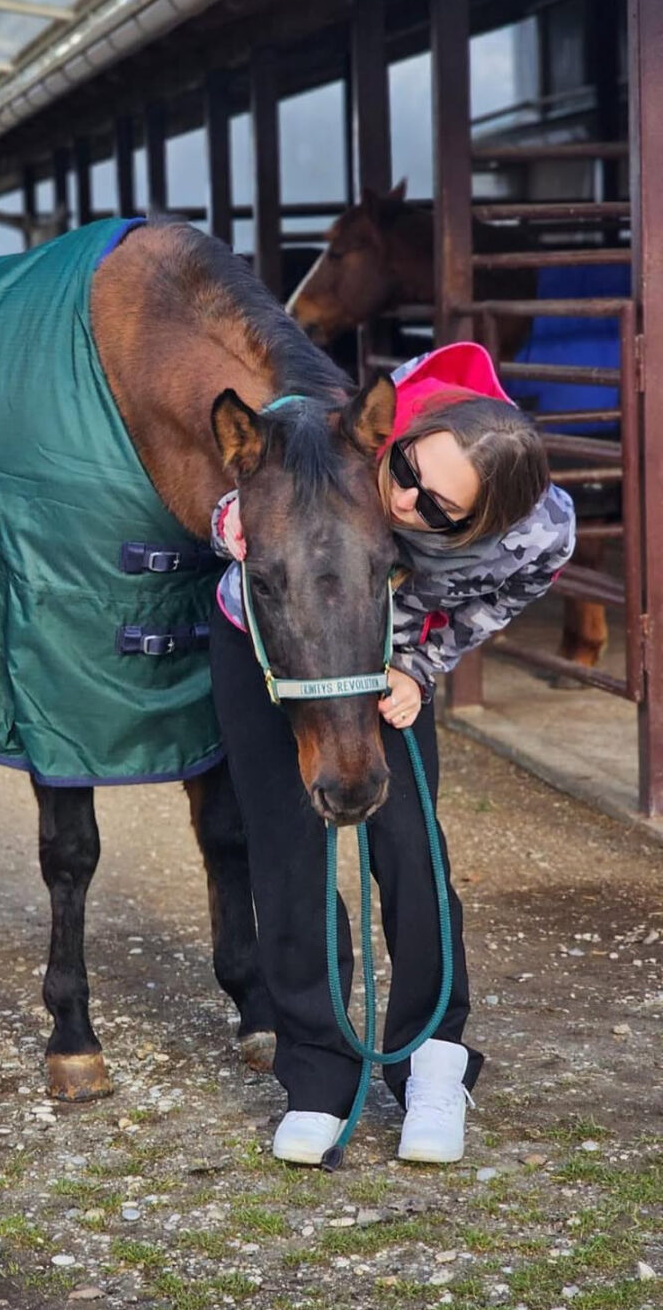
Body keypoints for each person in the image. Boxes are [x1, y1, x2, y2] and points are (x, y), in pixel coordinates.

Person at [209, 341, 575, 1164]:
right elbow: (239, 485)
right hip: (270, 647)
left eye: (438, 509)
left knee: (409, 848)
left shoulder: (535, 530)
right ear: (403, 436)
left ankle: (432, 1064)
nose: (406, 501)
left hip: (383, 665)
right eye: (406, 471)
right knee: (286, 855)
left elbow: (517, 585)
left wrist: (419, 665)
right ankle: (317, 1077)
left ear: (477, 521)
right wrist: (229, 520)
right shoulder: (353, 430)